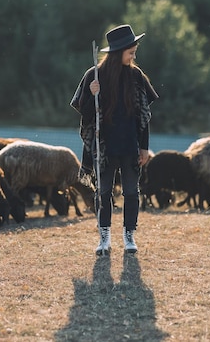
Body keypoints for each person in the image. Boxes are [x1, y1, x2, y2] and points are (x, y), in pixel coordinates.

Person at [70, 24, 158, 255]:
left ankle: (129, 236)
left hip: (130, 145)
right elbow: (86, 115)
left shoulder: (136, 76)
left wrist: (145, 147)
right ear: (119, 52)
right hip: (103, 147)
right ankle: (104, 237)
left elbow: (144, 116)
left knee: (131, 192)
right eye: (131, 52)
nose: (134, 56)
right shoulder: (94, 75)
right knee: (103, 192)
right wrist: (92, 94)